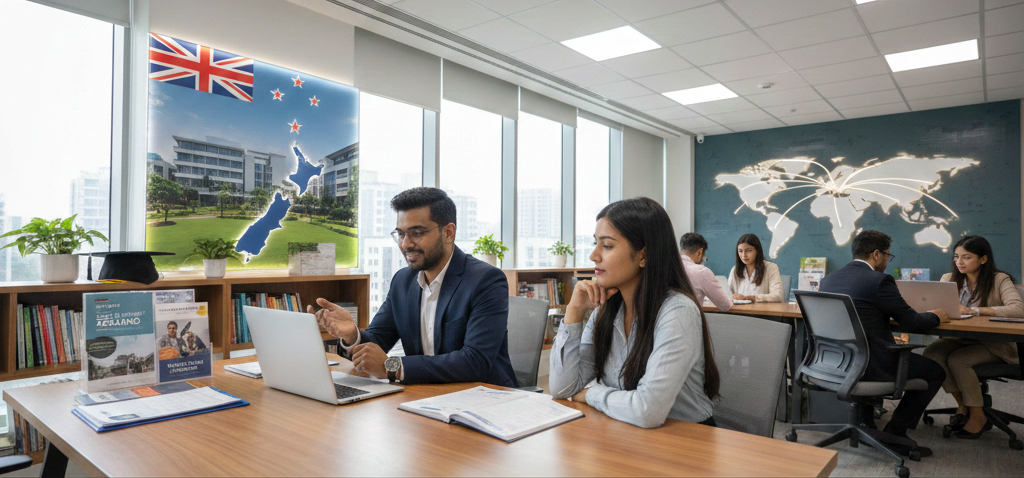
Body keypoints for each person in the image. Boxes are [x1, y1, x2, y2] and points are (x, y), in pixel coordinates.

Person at [310, 187, 516, 387]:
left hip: (484, 397)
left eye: (417, 233)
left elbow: (475, 361)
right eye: (401, 234)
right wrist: (352, 335)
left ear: (448, 233)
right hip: (424, 395)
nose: (405, 244)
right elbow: (378, 341)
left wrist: (394, 368)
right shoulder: (403, 281)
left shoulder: (485, 280)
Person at [549, 197, 720, 428]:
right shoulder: (605, 312)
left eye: (607, 246)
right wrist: (574, 311)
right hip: (628, 432)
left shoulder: (678, 311)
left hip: (687, 439)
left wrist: (590, 393)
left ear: (643, 256)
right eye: (595, 244)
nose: (594, 256)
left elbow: (647, 411)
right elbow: (562, 389)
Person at [818, 230, 949, 456]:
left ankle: (866, 423)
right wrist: (936, 315)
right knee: (936, 371)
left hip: (836, 362)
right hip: (871, 365)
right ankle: (896, 432)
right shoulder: (879, 281)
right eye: (889, 255)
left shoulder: (828, 279)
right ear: (877, 254)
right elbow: (913, 322)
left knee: (869, 350)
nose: (888, 261)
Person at [922, 236, 1024, 438]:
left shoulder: (999, 279)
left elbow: (1018, 309)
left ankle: (978, 416)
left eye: (966, 257)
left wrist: (976, 310)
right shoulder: (948, 278)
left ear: (983, 259)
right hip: (958, 339)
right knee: (932, 353)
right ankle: (963, 405)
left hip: (994, 344)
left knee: (958, 360)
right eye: (956, 257)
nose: (959, 262)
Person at [679, 232, 732, 311]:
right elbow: (725, 305)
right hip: (690, 318)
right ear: (700, 252)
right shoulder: (702, 272)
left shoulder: (667, 268)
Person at [727, 234, 783, 302]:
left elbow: (778, 296)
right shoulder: (735, 270)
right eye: (740, 251)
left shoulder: (771, 268)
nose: (744, 255)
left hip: (763, 309)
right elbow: (727, 295)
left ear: (757, 251)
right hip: (739, 308)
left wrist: (751, 298)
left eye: (748, 250)